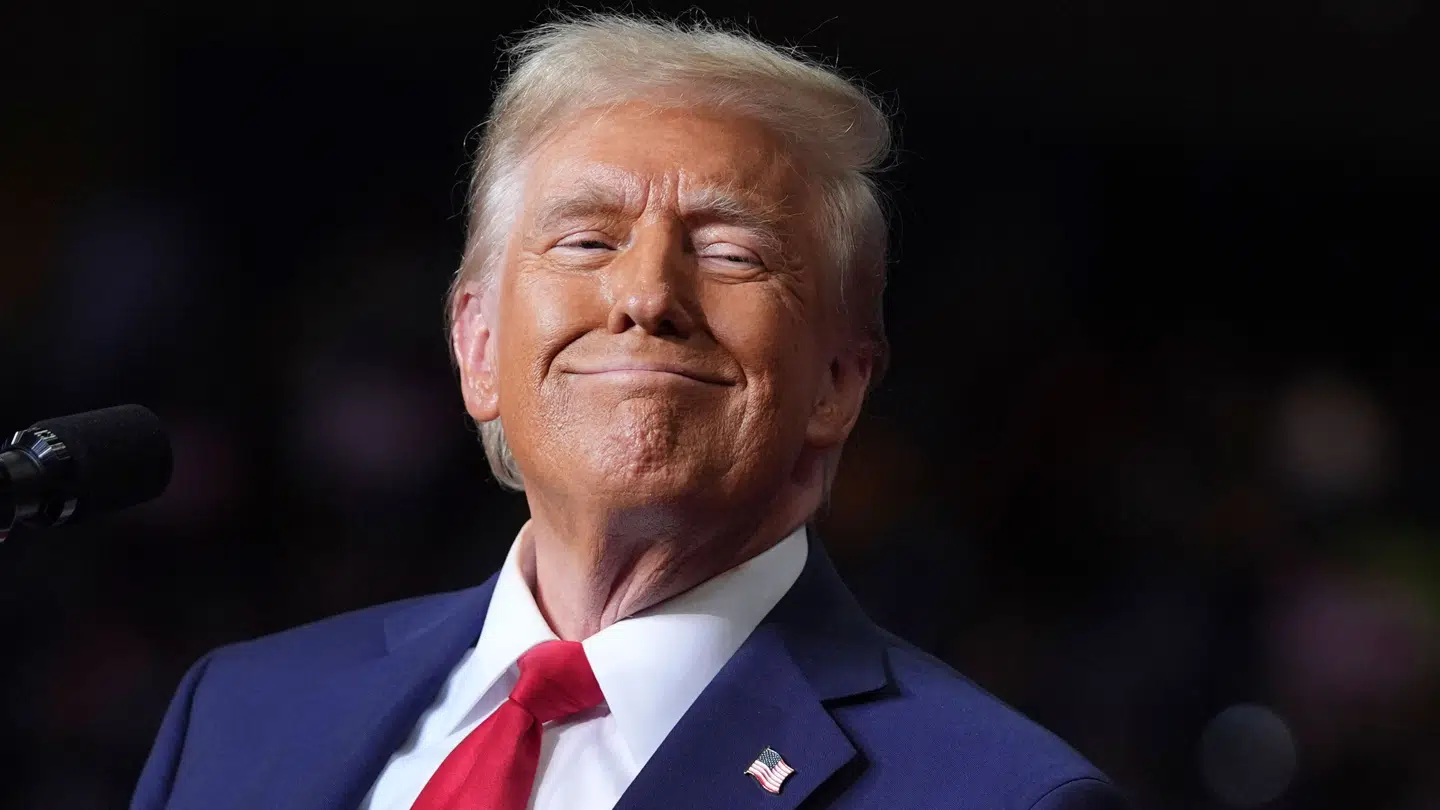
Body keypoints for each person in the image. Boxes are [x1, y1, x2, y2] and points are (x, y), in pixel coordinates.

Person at [132, 14, 1125, 810]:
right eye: (584, 243)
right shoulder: (237, 712)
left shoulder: (1000, 794)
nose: (647, 294)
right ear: (477, 347)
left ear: (838, 384)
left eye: (731, 253)